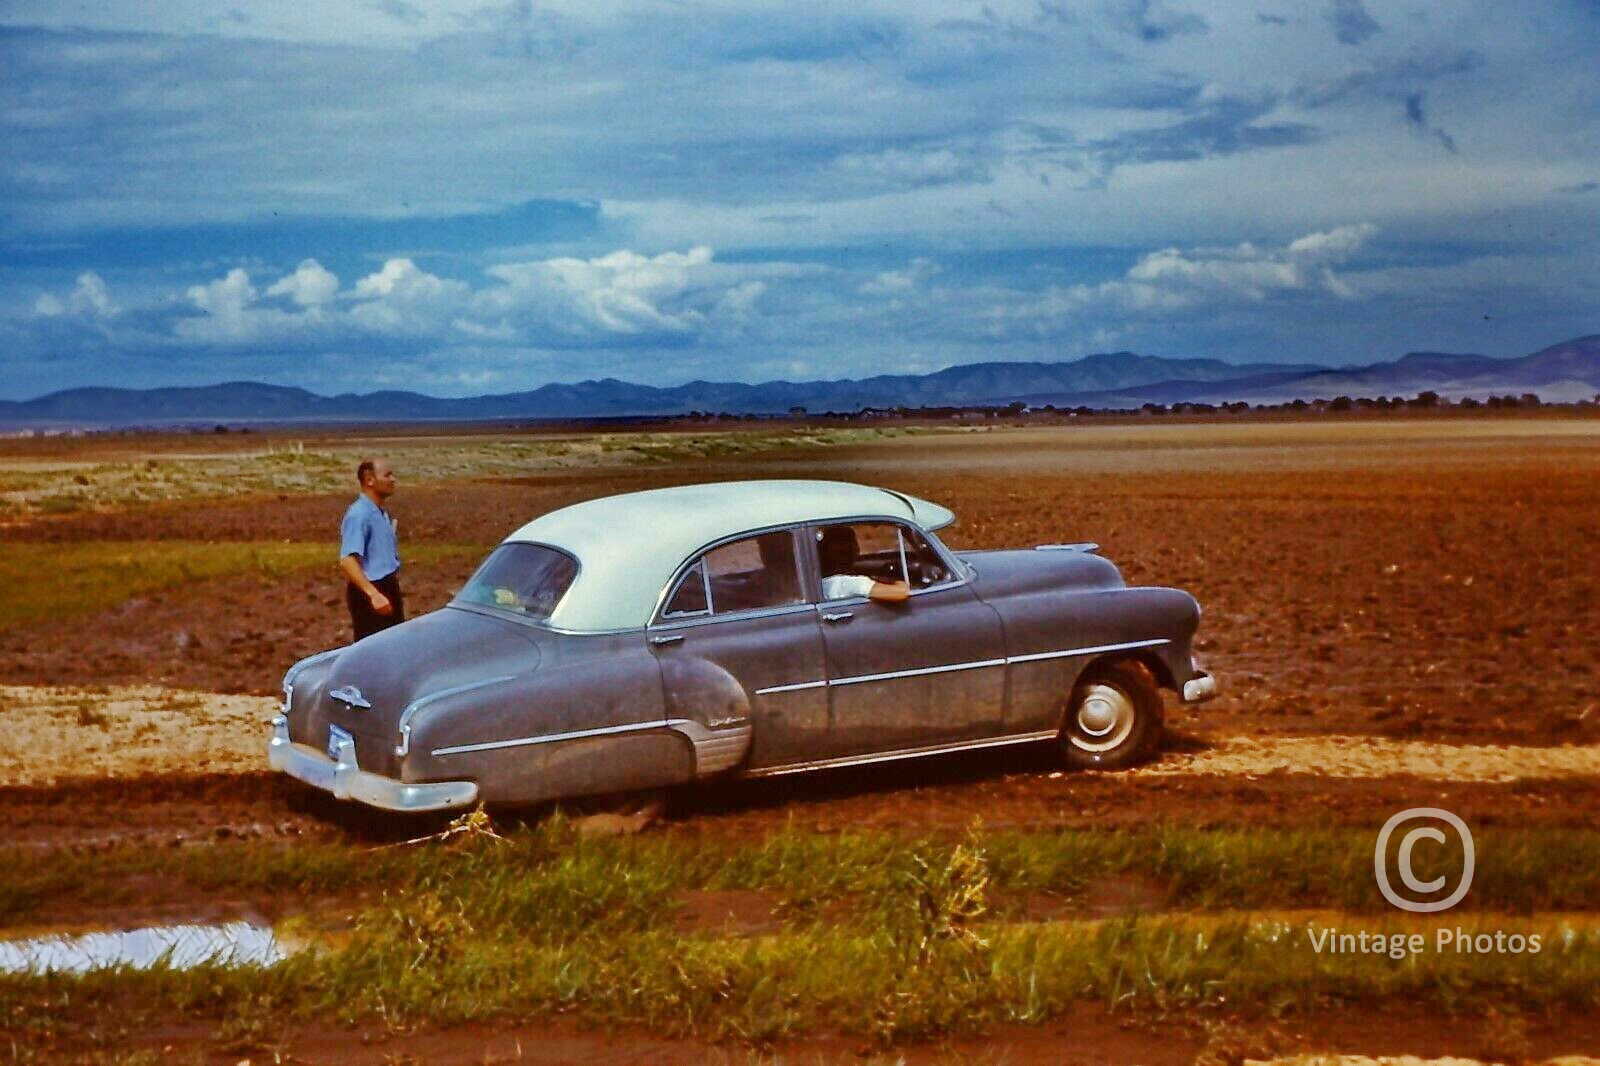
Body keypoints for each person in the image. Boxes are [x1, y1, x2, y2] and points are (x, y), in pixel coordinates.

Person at [340, 457, 404, 640]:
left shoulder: (379, 513)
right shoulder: (359, 515)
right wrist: (373, 594)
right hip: (372, 593)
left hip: (387, 586)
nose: (393, 480)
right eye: (387, 475)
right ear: (370, 480)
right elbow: (347, 560)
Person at [816, 525, 910, 603]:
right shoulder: (848, 583)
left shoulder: (821, 582)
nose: (855, 549)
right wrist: (898, 581)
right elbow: (902, 592)